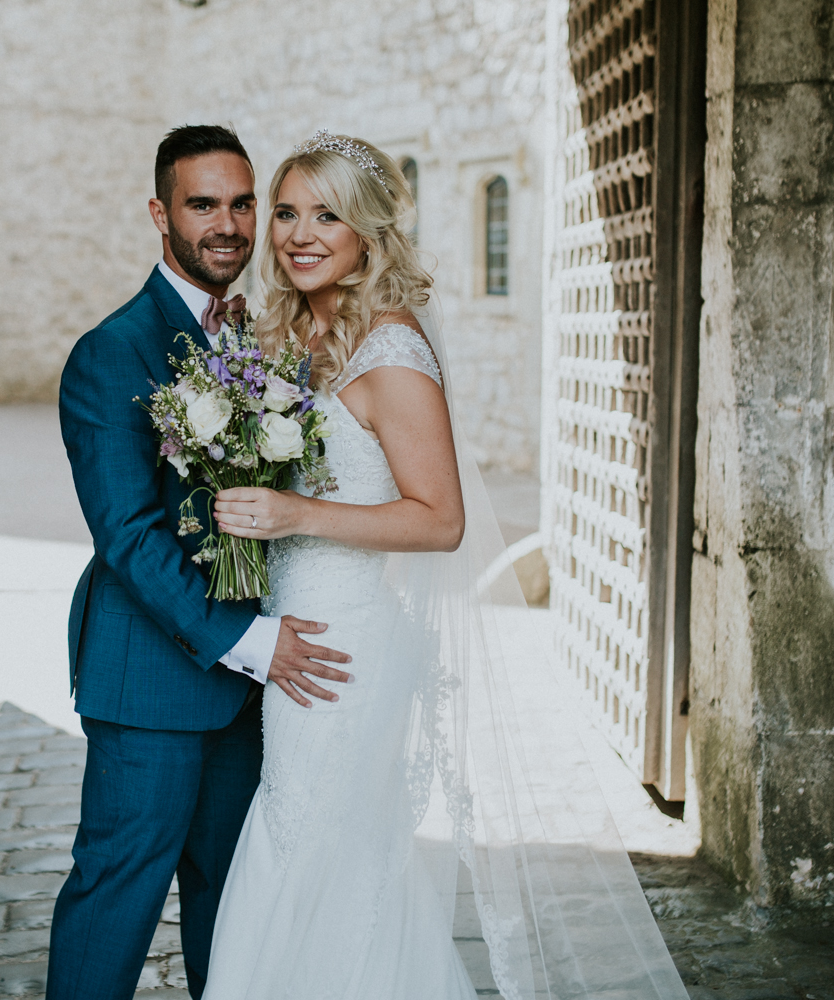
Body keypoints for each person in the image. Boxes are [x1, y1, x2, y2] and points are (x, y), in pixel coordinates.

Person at [202, 133, 691, 1000]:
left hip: (344, 650)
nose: (299, 234)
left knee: (318, 849)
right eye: (287, 211)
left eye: (329, 214)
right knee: (316, 852)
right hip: (292, 635)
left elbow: (442, 521)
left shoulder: (392, 354)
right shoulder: (285, 336)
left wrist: (292, 512)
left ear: (369, 233)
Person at [48, 125, 352, 1000]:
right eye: (203, 203)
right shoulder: (112, 353)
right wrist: (251, 641)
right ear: (161, 213)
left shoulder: (265, 338)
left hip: (251, 692)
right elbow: (131, 536)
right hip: (153, 680)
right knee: (117, 895)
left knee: (234, 900)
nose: (229, 223)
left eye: (243, 202)